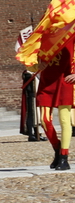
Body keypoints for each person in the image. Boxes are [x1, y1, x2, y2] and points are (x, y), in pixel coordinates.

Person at [33, 40, 74, 169]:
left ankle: (63, 157)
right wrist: (37, 66)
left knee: (64, 120)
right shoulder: (42, 38)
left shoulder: (72, 35)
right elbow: (30, 58)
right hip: (47, 83)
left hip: (65, 81)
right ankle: (57, 149)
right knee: (44, 120)